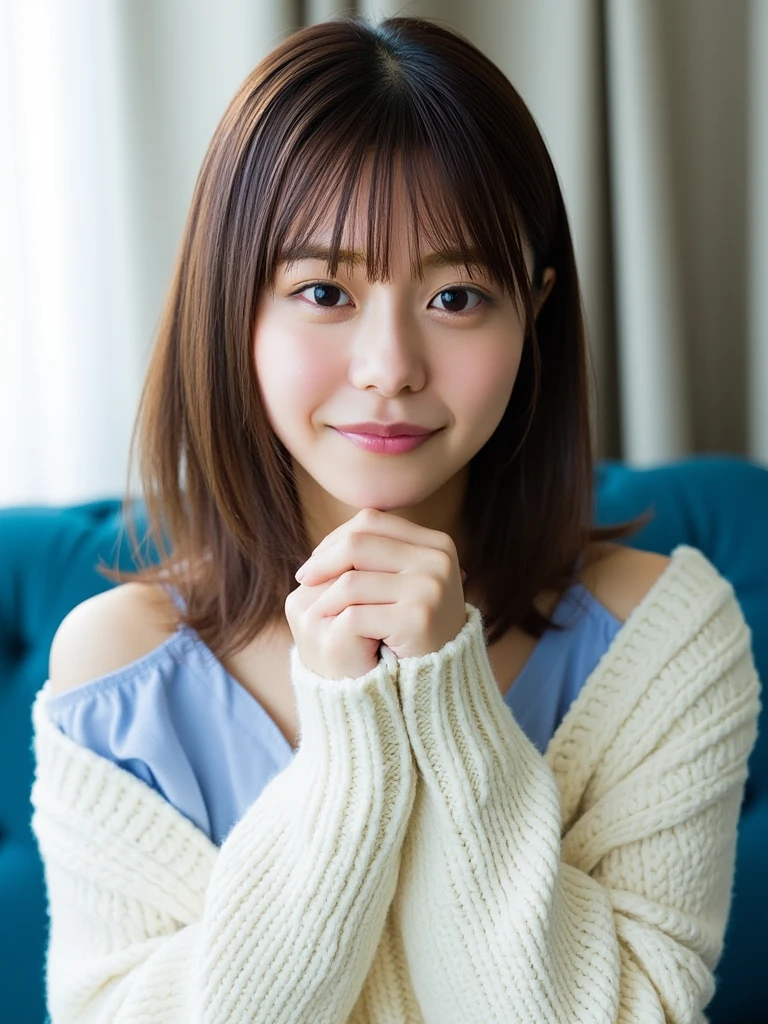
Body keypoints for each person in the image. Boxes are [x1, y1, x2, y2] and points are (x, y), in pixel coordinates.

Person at [30, 13, 759, 1024]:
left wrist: (441, 693)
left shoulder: (664, 639)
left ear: (533, 316)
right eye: (324, 289)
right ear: (230, 309)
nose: (390, 366)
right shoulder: (119, 673)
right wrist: (352, 729)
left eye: (457, 296)